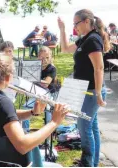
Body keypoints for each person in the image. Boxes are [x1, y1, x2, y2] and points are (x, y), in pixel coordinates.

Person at [0, 53, 69, 166]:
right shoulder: (2, 103)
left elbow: (5, 117)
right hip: (5, 163)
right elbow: (23, 146)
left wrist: (32, 112)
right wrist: (54, 123)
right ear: (8, 77)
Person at [58, 9, 110, 167]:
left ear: (87, 21)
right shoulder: (85, 39)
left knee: (84, 125)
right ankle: (92, 162)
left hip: (93, 91)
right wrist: (62, 29)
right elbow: (64, 49)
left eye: (76, 23)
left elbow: (99, 68)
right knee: (91, 126)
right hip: (84, 89)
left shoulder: (93, 40)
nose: (75, 27)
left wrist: (99, 94)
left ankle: (87, 163)